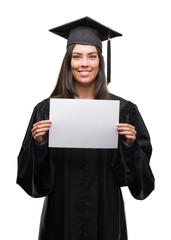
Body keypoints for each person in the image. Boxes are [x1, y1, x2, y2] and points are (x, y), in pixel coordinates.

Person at [17, 17, 155, 240]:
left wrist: (130, 146)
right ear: (68, 62)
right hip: (60, 216)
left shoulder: (123, 110)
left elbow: (141, 184)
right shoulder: (46, 110)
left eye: (92, 56)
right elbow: (31, 181)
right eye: (77, 56)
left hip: (106, 214)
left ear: (100, 61)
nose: (84, 63)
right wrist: (40, 144)